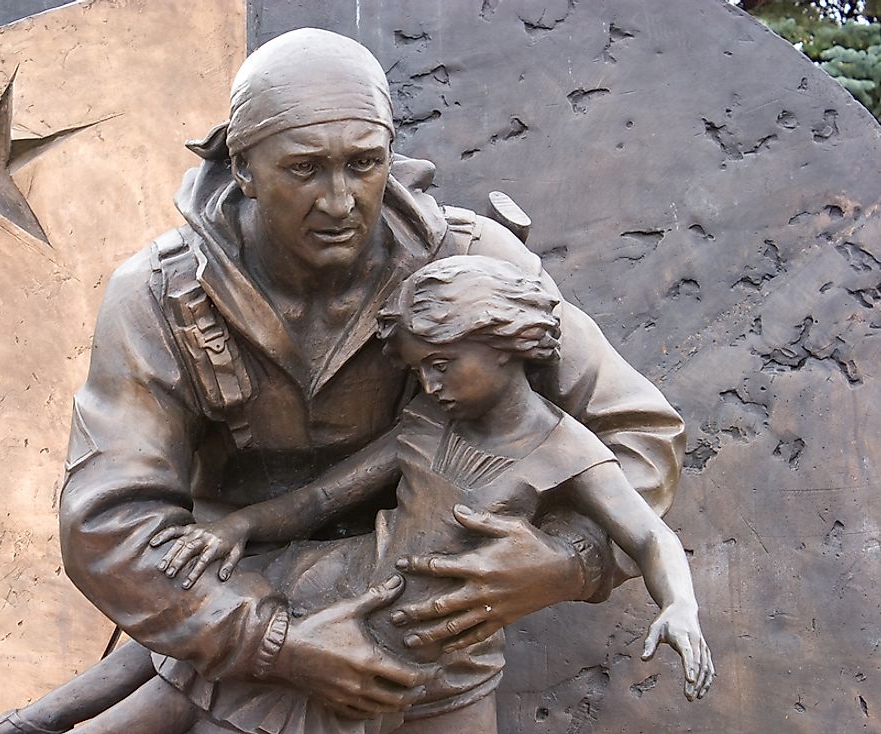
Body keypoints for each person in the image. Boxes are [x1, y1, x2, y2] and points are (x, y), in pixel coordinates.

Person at [0, 27, 686, 734]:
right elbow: (106, 527)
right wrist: (277, 645)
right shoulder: (155, 295)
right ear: (243, 167)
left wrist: (568, 564)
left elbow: (638, 438)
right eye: (304, 169)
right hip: (234, 635)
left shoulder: (475, 272)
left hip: (435, 652)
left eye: (364, 164)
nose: (339, 202)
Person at [138, 255, 712, 734]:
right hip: (335, 605)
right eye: (421, 372)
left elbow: (648, 535)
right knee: (164, 683)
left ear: (505, 344)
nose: (430, 386)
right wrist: (238, 526)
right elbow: (320, 499)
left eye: (440, 366)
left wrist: (679, 606)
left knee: (181, 693)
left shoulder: (569, 451)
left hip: (445, 655)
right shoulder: (427, 421)